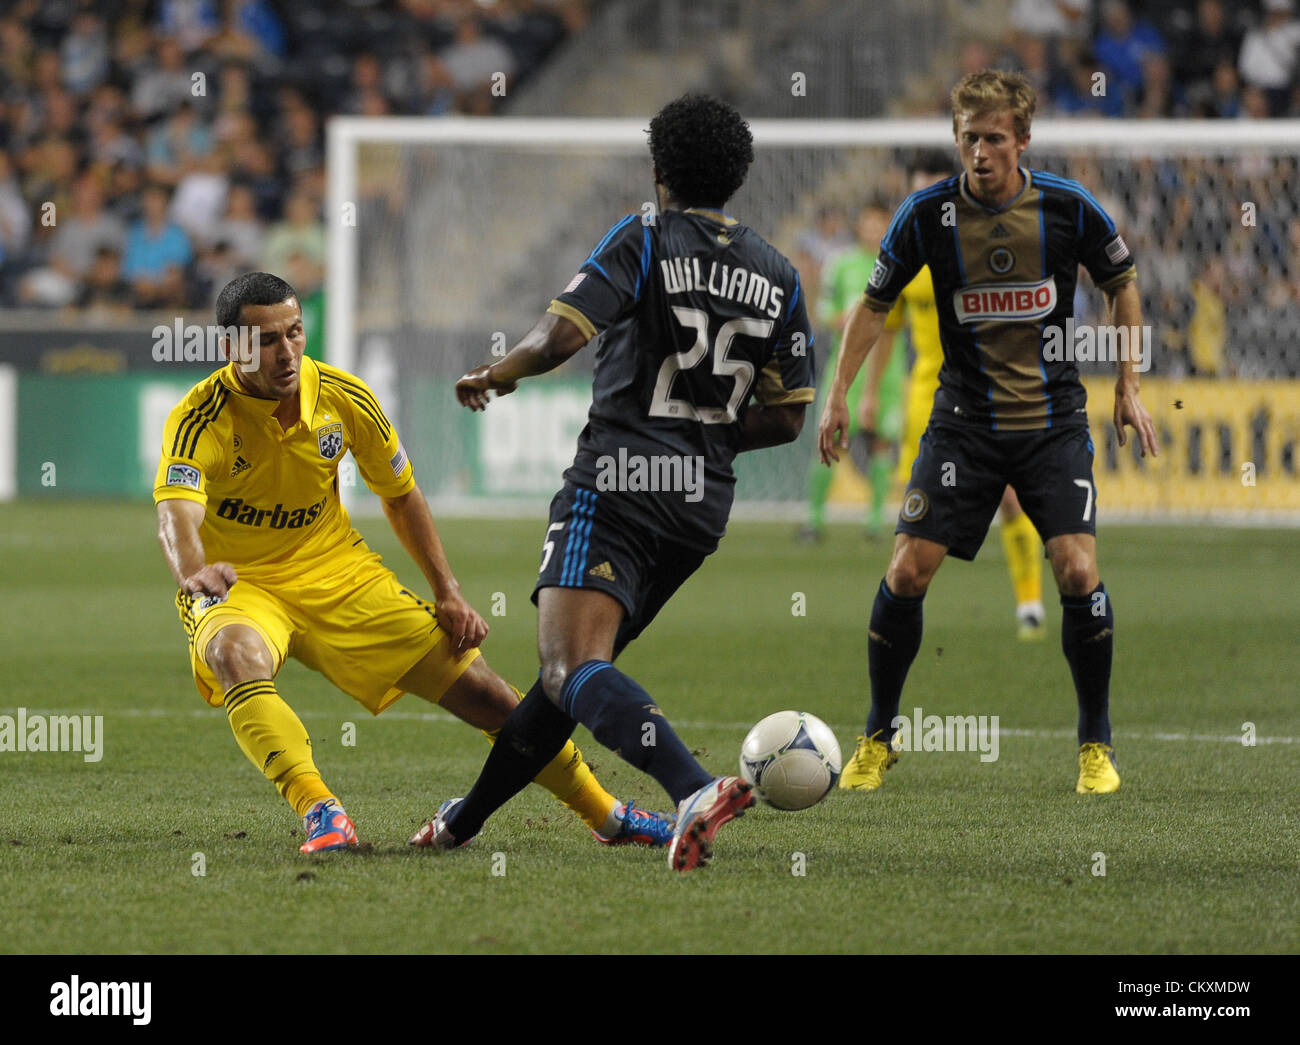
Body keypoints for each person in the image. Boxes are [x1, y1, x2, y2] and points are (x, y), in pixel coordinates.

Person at [413, 94, 815, 871]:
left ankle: (694, 787)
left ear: (658, 169)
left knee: (572, 669)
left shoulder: (646, 235)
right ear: (736, 175)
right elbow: (789, 415)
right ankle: (463, 821)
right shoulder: (779, 273)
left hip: (620, 482)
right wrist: (708, 432)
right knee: (573, 678)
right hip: (700, 504)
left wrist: (496, 374)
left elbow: (560, 334)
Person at [155, 271, 672, 854]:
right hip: (240, 586)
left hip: (337, 573)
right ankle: (321, 811)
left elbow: (400, 494)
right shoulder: (199, 416)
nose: (286, 352)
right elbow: (177, 515)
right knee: (233, 654)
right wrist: (193, 573)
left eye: (295, 333)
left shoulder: (342, 397)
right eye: (266, 341)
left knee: (490, 696)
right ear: (231, 348)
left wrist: (447, 590)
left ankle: (608, 815)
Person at [818, 71, 1158, 796]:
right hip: (963, 427)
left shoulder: (1068, 209)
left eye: (994, 139)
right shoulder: (925, 216)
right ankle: (878, 737)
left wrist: (1129, 382)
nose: (979, 152)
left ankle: (1095, 746)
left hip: (1051, 424)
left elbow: (1122, 283)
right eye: (968, 138)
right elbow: (873, 306)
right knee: (907, 569)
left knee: (1077, 569)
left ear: (1022, 140)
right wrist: (838, 394)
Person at [863, 151, 1047, 642]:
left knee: (1010, 496)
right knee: (916, 519)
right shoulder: (904, 254)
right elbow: (886, 327)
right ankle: (903, 620)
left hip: (989, 394)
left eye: (934, 190)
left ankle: (1029, 602)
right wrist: (869, 397)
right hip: (927, 395)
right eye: (918, 191)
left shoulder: (987, 247)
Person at [797, 200, 902, 543]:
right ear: (859, 226)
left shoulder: (903, 263)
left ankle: (874, 525)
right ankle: (814, 521)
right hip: (846, 369)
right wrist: (845, 317)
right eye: (869, 223)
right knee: (830, 441)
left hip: (887, 371)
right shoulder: (841, 264)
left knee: (881, 443)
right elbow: (824, 308)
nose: (874, 230)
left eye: (880, 224)